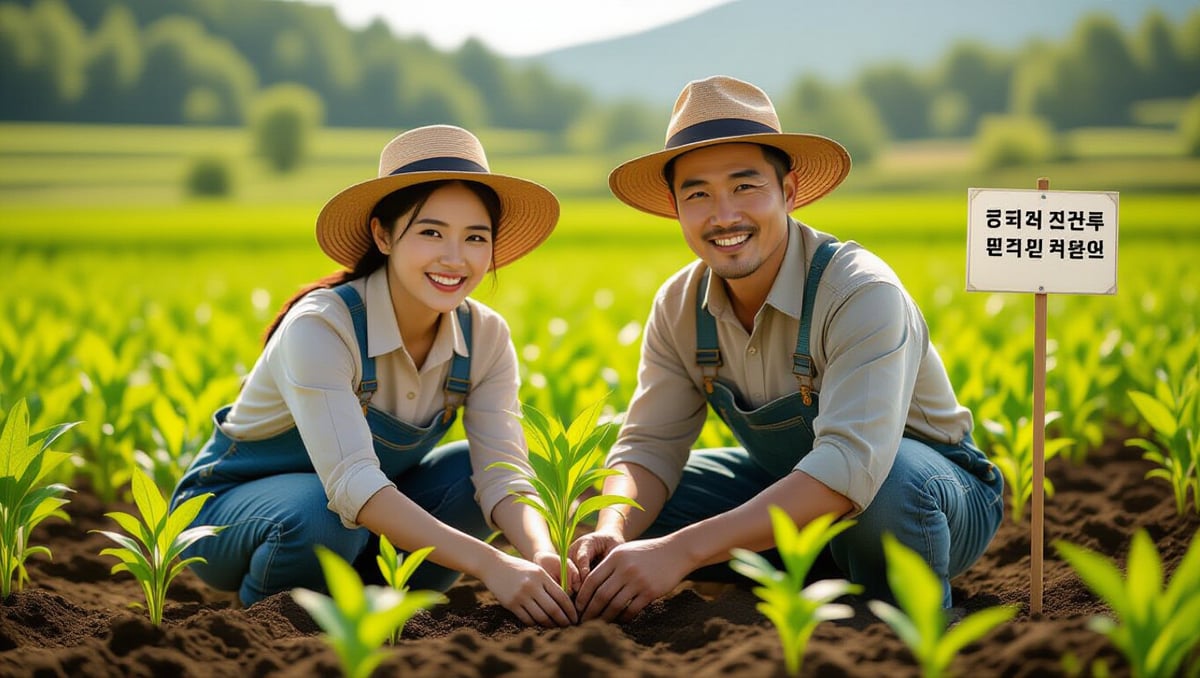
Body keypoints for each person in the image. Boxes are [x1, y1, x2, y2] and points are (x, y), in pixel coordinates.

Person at [569, 76, 1004, 622]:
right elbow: (650, 445)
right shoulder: (679, 305)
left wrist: (681, 552)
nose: (723, 215)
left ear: (789, 191)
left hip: (932, 498)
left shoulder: (859, 292)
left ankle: (904, 619)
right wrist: (613, 530)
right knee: (608, 499)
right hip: (791, 487)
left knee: (889, 489)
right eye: (697, 194)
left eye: (745, 187)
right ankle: (821, 578)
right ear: (676, 209)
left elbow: (849, 465)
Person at [171, 124, 578, 627]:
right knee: (320, 514)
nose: (455, 258)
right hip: (232, 513)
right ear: (383, 235)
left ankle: (378, 611)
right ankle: (264, 620)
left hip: (364, 518)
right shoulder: (323, 325)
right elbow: (352, 484)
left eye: (476, 237)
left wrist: (541, 553)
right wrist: (491, 564)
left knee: (471, 475)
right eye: (431, 232)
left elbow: (503, 472)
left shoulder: (485, 335)